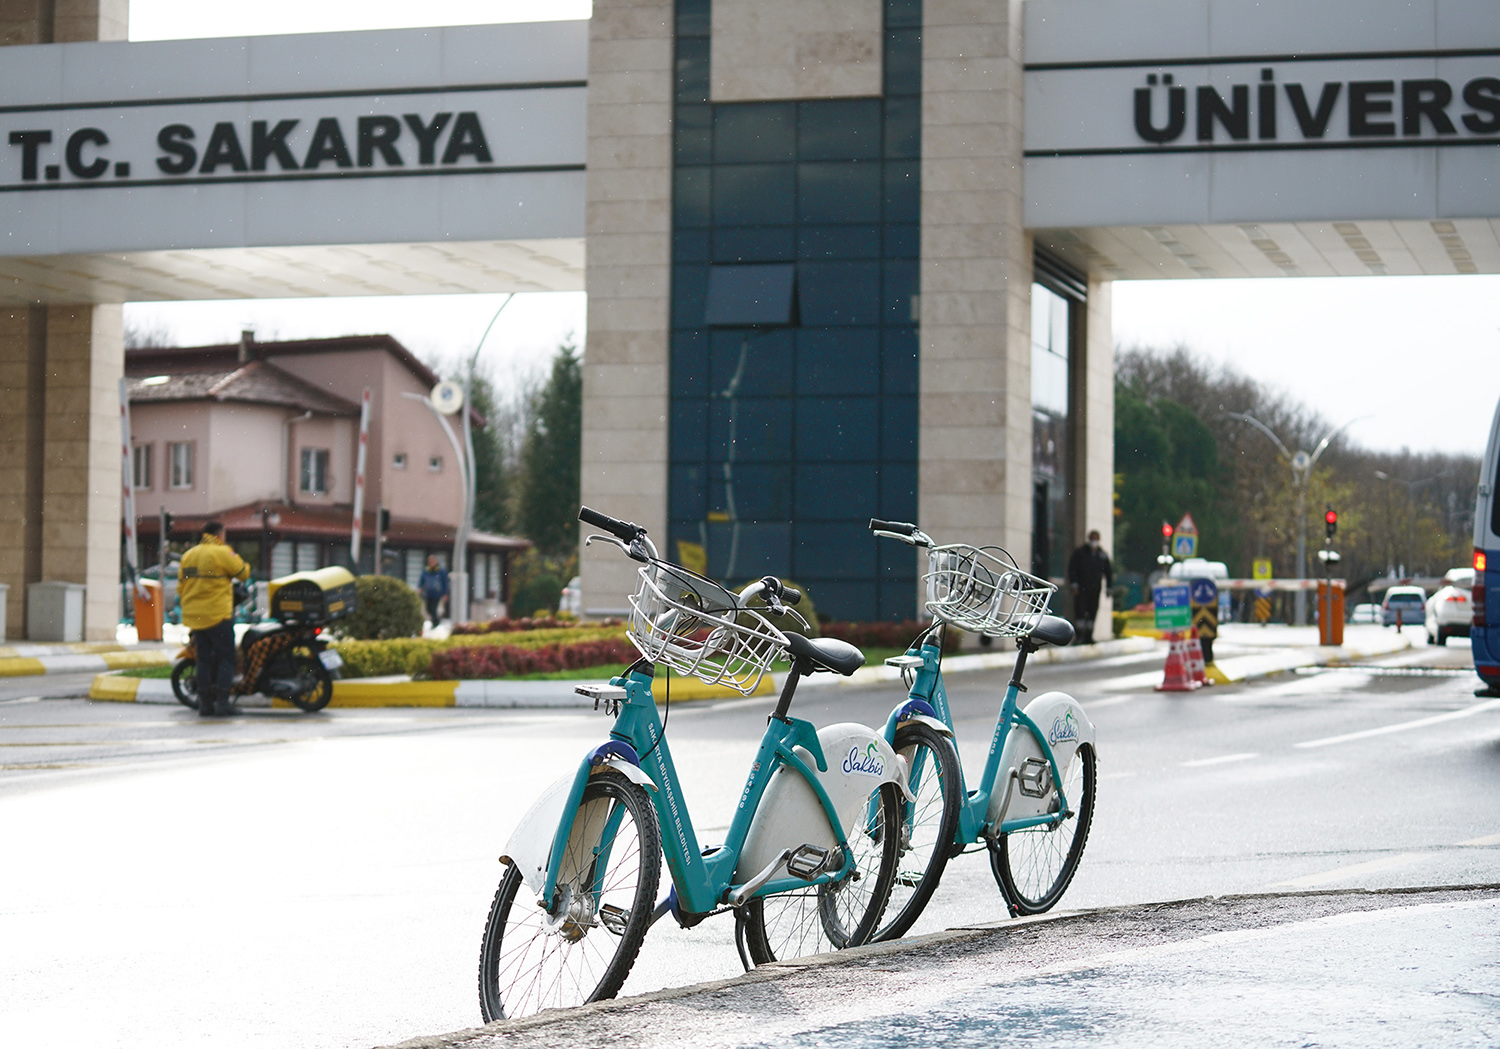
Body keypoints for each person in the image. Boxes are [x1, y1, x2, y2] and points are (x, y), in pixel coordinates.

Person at [178, 521, 251, 717]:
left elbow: (181, 587)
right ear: (220, 534)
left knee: (203, 660)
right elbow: (243, 574)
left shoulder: (189, 555)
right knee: (227, 658)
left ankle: (205, 704)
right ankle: (223, 702)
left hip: (196, 617)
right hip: (218, 615)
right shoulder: (222, 552)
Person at [1066, 529, 1113, 645]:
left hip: (1095, 589)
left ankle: (1089, 636)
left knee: (1092, 611)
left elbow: (1108, 573)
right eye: (1093, 539)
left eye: (1096, 539)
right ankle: (1079, 635)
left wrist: (1109, 588)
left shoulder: (1102, 555)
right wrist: (1074, 584)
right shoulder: (1080, 553)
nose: (1094, 541)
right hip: (1081, 588)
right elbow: (1072, 569)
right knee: (1080, 612)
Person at [419, 555, 449, 626]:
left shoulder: (441, 571)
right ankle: (435, 622)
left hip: (437, 594)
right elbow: (421, 580)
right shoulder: (426, 571)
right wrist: (419, 588)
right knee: (428, 609)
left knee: (434, 609)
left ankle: (436, 623)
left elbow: (445, 583)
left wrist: (445, 593)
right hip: (428, 593)